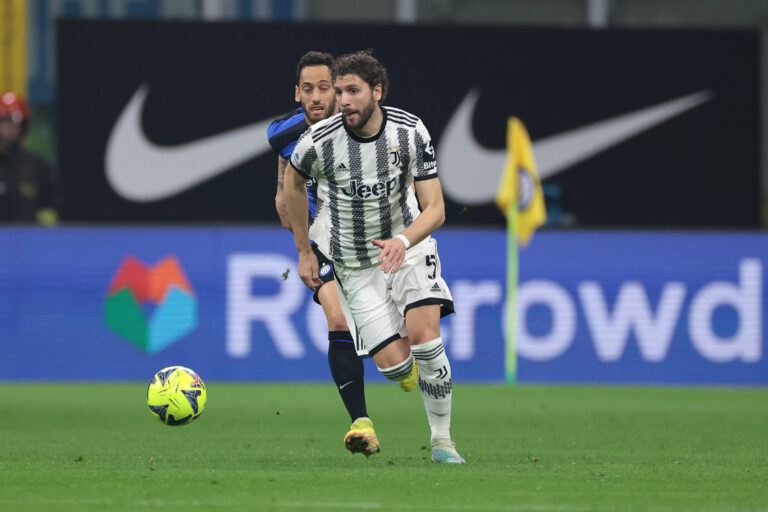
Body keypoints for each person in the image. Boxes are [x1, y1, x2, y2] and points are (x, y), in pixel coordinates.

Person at [283, 50, 465, 463]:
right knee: (397, 369)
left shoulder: (410, 132)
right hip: (353, 265)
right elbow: (291, 186)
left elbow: (434, 208)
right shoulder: (317, 142)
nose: (342, 100)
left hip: (407, 247)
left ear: (376, 91)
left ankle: (442, 442)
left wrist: (403, 241)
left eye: (352, 91)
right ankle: (415, 367)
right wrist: (303, 249)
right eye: (340, 91)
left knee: (426, 341)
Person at [267, 51, 419, 458]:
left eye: (324, 88)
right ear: (296, 92)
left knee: (401, 370)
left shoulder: (362, 129)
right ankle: (361, 424)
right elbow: (287, 181)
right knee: (336, 317)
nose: (317, 97)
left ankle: (407, 349)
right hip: (324, 237)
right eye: (308, 89)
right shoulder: (285, 133)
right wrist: (296, 229)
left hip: (376, 237)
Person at [0, 92, 61, 225]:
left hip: (25, 241)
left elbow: (50, 208)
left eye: (17, 122)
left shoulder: (37, 165)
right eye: (5, 121)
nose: (11, 127)